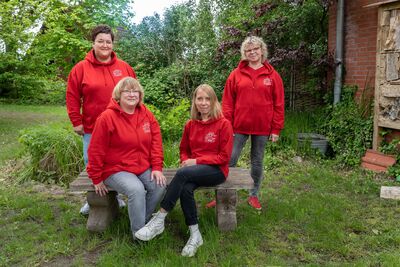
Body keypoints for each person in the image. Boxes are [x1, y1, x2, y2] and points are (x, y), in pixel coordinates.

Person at [134, 84, 233, 257]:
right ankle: (195, 235)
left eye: (207, 99)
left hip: (216, 170)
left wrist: (196, 161)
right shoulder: (190, 125)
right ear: (194, 101)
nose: (203, 103)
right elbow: (183, 149)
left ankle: (160, 217)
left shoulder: (223, 124)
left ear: (214, 101)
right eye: (199, 99)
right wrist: (185, 160)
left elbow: (224, 157)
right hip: (194, 170)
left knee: (182, 174)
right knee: (186, 189)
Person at [206, 36, 284, 210]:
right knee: (229, 159)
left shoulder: (273, 75)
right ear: (244, 53)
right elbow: (227, 102)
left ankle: (253, 195)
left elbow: (279, 103)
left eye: (255, 49)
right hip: (238, 127)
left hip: (263, 127)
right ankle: (221, 194)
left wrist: (276, 128)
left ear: (262, 50)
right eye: (248, 50)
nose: (252, 52)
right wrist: (227, 125)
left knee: (257, 162)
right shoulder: (236, 75)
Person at [66, 24, 136, 214]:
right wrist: (76, 121)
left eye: (108, 41)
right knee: (93, 164)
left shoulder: (124, 68)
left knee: (119, 163)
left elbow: (134, 94)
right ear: (93, 43)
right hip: (92, 127)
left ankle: (118, 197)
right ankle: (94, 200)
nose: (105, 45)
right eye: (101, 41)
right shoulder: (80, 68)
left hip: (121, 127)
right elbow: (72, 96)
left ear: (113, 44)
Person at [86, 77, 166, 239]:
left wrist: (156, 168)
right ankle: (138, 236)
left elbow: (156, 141)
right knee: (136, 190)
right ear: (119, 95)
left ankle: (143, 224)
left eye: (135, 91)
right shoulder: (107, 117)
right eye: (127, 91)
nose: (131, 94)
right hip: (115, 168)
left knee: (159, 185)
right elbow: (95, 150)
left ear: (140, 94)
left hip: (140, 166)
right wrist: (96, 178)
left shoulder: (146, 114)